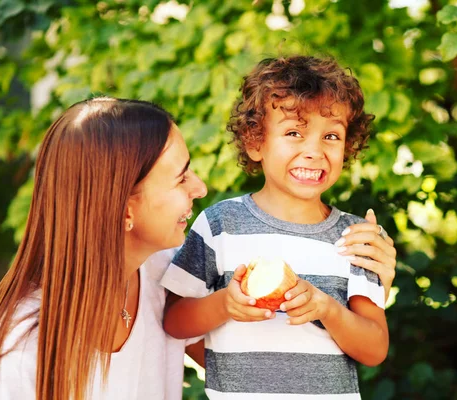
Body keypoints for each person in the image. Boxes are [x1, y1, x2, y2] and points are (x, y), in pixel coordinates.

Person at [161, 55, 397, 399]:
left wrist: (327, 309)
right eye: (294, 132)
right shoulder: (220, 225)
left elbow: (374, 348)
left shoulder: (355, 238)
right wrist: (226, 304)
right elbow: (173, 321)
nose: (314, 151)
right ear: (256, 142)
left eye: (331, 136)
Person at [0, 97, 209, 400]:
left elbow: (243, 369)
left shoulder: (164, 272)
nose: (200, 188)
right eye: (181, 178)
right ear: (125, 211)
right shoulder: (23, 350)